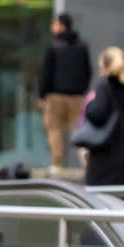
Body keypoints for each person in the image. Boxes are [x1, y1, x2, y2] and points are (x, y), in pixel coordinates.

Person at [38, 12, 92, 170]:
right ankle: (86, 163)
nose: (52, 27)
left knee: (53, 129)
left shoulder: (53, 45)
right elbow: (87, 71)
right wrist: (81, 90)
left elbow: (46, 72)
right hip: (77, 96)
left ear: (61, 26)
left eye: (54, 24)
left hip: (56, 95)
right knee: (79, 131)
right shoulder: (81, 46)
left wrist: (42, 94)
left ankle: (57, 164)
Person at [82, 47, 124, 186]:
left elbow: (97, 113)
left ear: (103, 66)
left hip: (107, 159)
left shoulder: (105, 87)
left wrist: (89, 106)